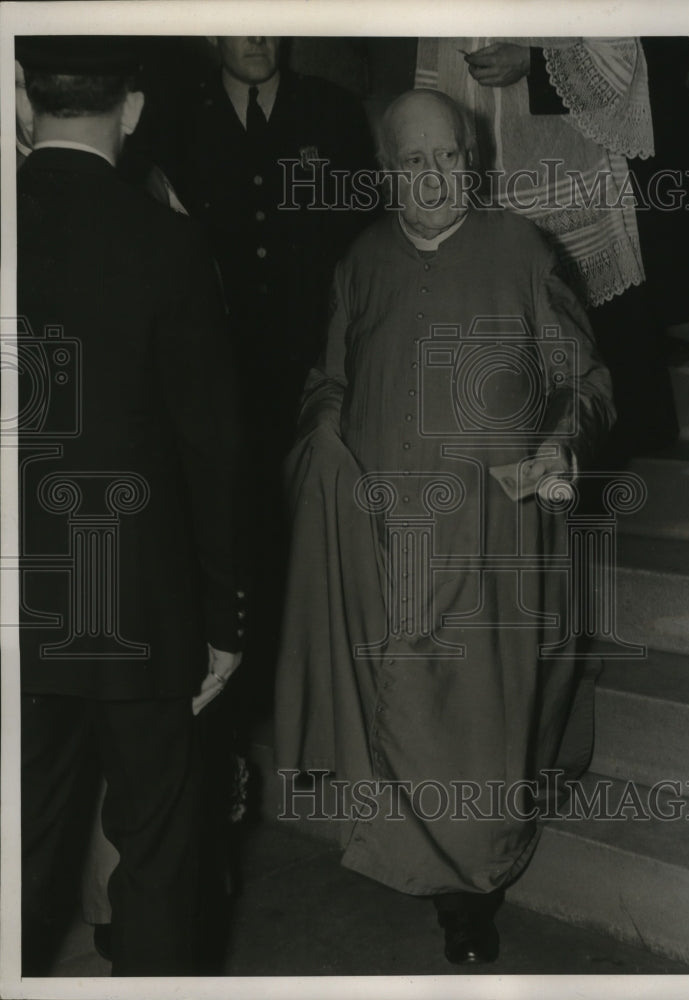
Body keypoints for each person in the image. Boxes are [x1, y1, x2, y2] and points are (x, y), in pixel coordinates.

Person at [275, 89, 615, 965]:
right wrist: (322, 427)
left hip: (496, 533)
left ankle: (476, 889)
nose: (435, 179)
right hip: (388, 535)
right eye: (414, 162)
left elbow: (589, 382)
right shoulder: (361, 262)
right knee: (407, 712)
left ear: (475, 162)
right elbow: (331, 377)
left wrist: (558, 444)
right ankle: (421, 861)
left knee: (483, 726)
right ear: (386, 174)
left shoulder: (523, 251)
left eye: (451, 159)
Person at [16, 36, 245, 976]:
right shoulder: (171, 242)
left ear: (26, 103)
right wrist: (227, 613)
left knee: (14, 851)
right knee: (157, 850)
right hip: (141, 610)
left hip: (17, 607)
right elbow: (215, 447)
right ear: (133, 108)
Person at [160, 35, 376, 716]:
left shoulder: (331, 109)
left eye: (267, 21)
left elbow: (359, 238)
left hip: (308, 365)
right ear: (207, 34)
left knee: (308, 532)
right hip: (212, 368)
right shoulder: (175, 117)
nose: (256, 36)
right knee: (229, 525)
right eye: (237, 21)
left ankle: (313, 697)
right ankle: (244, 699)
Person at [415, 37, 678, 459]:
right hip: (478, 187)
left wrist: (533, 61)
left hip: (565, 178)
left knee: (581, 380)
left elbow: (619, 57)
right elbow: (430, 73)